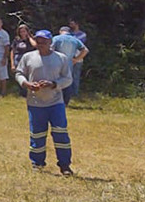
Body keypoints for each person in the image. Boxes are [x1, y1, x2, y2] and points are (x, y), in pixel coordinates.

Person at [15, 30, 74, 175]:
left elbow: (68, 78)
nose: (41, 44)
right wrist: (27, 84)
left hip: (55, 102)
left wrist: (53, 84)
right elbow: (19, 73)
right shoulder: (28, 57)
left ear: (50, 42)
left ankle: (65, 165)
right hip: (35, 103)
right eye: (38, 41)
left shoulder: (61, 58)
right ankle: (37, 164)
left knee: (60, 133)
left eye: (44, 41)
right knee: (37, 134)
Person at [51, 26, 89, 104]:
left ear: (60, 31)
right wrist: (77, 59)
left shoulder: (56, 38)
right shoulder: (75, 39)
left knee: (56, 81)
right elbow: (85, 50)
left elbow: (51, 49)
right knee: (68, 82)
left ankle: (56, 100)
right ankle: (66, 102)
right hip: (69, 64)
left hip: (57, 63)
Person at [10, 24, 36, 98]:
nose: (22, 33)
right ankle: (22, 93)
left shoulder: (31, 39)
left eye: (24, 31)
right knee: (20, 76)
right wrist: (12, 63)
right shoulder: (16, 40)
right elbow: (12, 51)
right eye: (21, 32)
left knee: (29, 76)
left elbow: (35, 45)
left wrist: (29, 37)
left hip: (29, 60)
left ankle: (29, 92)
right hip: (18, 60)